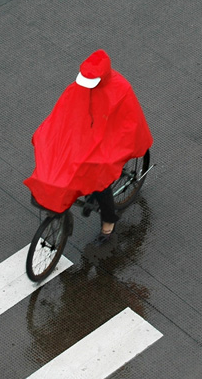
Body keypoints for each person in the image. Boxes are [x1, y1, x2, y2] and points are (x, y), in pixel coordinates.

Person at [24, 50, 152, 241]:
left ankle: (109, 220)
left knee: (100, 179)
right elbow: (63, 113)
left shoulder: (120, 89)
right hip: (84, 136)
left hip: (108, 140)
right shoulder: (78, 87)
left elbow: (126, 123)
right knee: (54, 156)